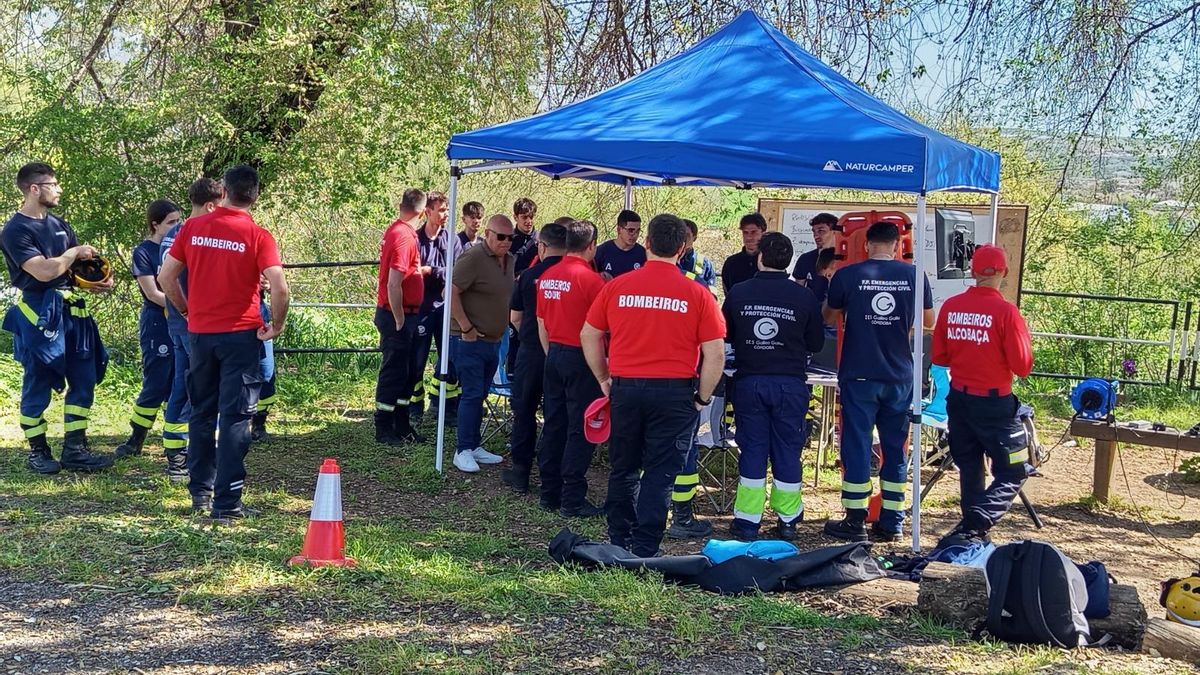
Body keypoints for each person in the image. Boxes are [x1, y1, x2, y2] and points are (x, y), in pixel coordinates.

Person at [581, 213, 726, 558]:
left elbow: (589, 334)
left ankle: (619, 540)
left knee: (624, 467)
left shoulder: (617, 287)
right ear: (682, 248)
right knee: (660, 473)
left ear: (646, 243)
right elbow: (715, 355)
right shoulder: (698, 293)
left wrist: (603, 378)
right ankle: (646, 546)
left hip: (626, 388)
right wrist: (702, 398)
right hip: (674, 393)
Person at [159, 164, 289, 521]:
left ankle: (200, 493)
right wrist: (276, 325)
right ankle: (227, 504)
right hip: (241, 336)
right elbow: (279, 286)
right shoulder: (259, 236)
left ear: (225, 192)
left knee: (201, 412)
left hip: (201, 335)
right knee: (235, 418)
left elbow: (166, 276)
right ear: (256, 195)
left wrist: (186, 311)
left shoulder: (193, 228)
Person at [822, 221, 933, 543]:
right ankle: (893, 521)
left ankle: (854, 520)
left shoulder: (848, 275)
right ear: (898, 245)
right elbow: (928, 322)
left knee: (856, 444)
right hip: (899, 375)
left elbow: (829, 316)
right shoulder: (916, 276)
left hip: (859, 373)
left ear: (867, 245)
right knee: (895, 448)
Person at [1, 161, 115, 474]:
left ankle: (75, 449)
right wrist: (74, 252)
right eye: (53, 184)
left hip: (73, 313)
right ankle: (38, 450)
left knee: (84, 378)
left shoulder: (60, 224)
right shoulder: (14, 231)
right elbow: (45, 270)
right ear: (34, 189)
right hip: (40, 313)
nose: (59, 189)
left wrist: (95, 282)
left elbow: (70, 273)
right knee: (38, 378)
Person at [723, 233, 825, 541]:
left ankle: (747, 522)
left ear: (760, 257)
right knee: (787, 450)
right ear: (789, 260)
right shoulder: (804, 297)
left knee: (752, 449)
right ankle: (788, 520)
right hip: (790, 384)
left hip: (750, 381)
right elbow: (816, 342)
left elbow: (726, 335)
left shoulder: (739, 293)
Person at [932, 244, 1034, 546]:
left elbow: (940, 356)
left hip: (960, 400)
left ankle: (971, 534)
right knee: (1014, 470)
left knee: (970, 466)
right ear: (1004, 272)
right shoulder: (1006, 312)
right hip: (995, 404)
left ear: (973, 272)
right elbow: (1023, 366)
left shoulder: (951, 306)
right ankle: (975, 523)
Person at [537, 220, 605, 517]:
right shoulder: (591, 281)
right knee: (580, 427)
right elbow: (603, 327)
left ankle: (548, 491)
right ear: (591, 247)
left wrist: (551, 353)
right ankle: (572, 498)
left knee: (554, 423)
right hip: (582, 357)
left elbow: (541, 322)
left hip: (553, 353)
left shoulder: (548, 275)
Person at [157, 178, 223, 480]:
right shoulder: (198, 234)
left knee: (181, 390)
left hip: (179, 322)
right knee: (199, 391)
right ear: (211, 205)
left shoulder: (174, 234)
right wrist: (188, 310)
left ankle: (177, 457)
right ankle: (189, 459)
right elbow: (169, 279)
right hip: (194, 325)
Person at [501, 222, 567, 495]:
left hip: (530, 352)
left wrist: (529, 335)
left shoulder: (528, 276)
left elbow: (514, 317)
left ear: (541, 246)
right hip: (562, 352)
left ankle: (520, 473)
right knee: (556, 416)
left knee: (524, 412)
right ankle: (552, 477)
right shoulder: (575, 275)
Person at [115, 199, 183, 459]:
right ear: (155, 225)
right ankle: (136, 438)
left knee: (181, 380)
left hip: (181, 319)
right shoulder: (143, 252)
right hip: (157, 322)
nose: (177, 227)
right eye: (171, 222)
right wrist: (185, 306)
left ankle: (176, 441)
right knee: (156, 381)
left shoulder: (180, 247)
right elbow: (153, 293)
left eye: (179, 221)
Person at [448, 214, 515, 473]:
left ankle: (474, 445)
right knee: (472, 394)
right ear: (487, 234)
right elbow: (450, 292)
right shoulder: (473, 258)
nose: (506, 242)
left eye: (510, 238)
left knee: (481, 394)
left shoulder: (509, 261)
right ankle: (462, 449)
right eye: (500, 237)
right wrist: (466, 326)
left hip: (494, 340)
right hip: (469, 340)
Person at [667, 217, 718, 540]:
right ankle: (678, 515)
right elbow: (715, 351)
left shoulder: (703, 267)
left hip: (652, 377)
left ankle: (674, 512)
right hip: (683, 375)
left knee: (663, 446)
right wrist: (703, 395)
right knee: (684, 448)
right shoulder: (690, 291)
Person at [368, 188, 425, 445]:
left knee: (407, 372)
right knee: (394, 371)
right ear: (422, 212)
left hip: (404, 313)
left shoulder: (398, 231)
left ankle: (401, 423)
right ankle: (384, 427)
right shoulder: (404, 237)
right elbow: (394, 282)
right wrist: (400, 317)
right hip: (397, 315)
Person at [410, 190, 462, 428]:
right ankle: (413, 407)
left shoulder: (452, 240)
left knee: (448, 358)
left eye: (446, 210)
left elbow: (458, 272)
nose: (444, 215)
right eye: (440, 210)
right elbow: (412, 270)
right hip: (421, 307)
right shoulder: (415, 238)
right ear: (427, 211)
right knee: (417, 358)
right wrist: (434, 272)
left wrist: (433, 271)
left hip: (446, 308)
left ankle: (445, 406)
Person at [252, 274, 278, 442]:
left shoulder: (262, 251)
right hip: (234, 322)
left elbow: (279, 284)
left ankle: (259, 424)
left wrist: (270, 285)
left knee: (267, 376)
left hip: (261, 319)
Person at [790, 212, 838, 303]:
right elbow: (798, 291)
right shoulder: (805, 259)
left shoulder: (847, 259)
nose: (816, 236)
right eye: (814, 232)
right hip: (812, 311)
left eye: (821, 231)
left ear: (835, 232)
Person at [719, 213, 766, 294]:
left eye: (754, 232)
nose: (749, 237)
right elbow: (728, 292)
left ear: (763, 232)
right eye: (745, 232)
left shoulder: (771, 262)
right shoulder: (731, 263)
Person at [593, 210, 645, 280]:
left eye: (638, 231)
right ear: (619, 229)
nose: (635, 235)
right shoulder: (601, 251)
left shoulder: (643, 254)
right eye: (631, 230)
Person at [677, 219, 716, 292]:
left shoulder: (704, 263)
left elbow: (712, 293)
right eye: (680, 234)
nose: (683, 239)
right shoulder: (667, 258)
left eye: (687, 235)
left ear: (694, 238)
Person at [511, 197, 539, 274]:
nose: (529, 221)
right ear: (515, 217)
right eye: (524, 217)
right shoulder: (507, 240)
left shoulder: (541, 240)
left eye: (531, 217)